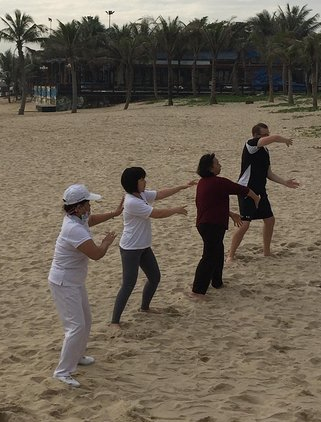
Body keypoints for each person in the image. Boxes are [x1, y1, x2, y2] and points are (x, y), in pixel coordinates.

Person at [49, 184, 122, 388]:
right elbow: (96, 254)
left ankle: (78, 356)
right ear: (78, 207)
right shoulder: (73, 229)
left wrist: (115, 213)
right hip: (64, 282)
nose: (90, 207)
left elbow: (93, 220)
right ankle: (62, 372)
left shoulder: (77, 220)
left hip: (74, 281)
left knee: (86, 321)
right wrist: (107, 242)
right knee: (76, 326)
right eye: (88, 203)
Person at [110, 167, 196, 327]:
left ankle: (145, 308)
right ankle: (114, 321)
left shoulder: (141, 195)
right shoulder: (131, 202)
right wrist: (175, 210)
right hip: (130, 249)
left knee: (155, 277)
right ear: (134, 183)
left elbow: (161, 194)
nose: (145, 181)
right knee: (128, 284)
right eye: (142, 179)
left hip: (143, 246)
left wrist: (182, 186)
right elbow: (157, 214)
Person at [227, 123, 300, 262]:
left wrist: (285, 182)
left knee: (270, 220)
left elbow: (269, 173)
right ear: (256, 135)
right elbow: (275, 138)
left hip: (260, 190)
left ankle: (267, 252)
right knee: (245, 224)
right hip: (246, 189)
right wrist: (284, 140)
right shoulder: (251, 145)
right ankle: (230, 255)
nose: (268, 137)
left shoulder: (265, 151)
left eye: (268, 133)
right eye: (265, 134)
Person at [191, 153, 260, 298]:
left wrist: (230, 214)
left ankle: (217, 282)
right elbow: (242, 189)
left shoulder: (203, 183)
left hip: (206, 224)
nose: (220, 165)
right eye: (217, 163)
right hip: (211, 225)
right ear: (210, 168)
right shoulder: (218, 182)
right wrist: (256, 199)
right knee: (209, 256)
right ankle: (197, 291)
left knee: (217, 251)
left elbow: (211, 204)